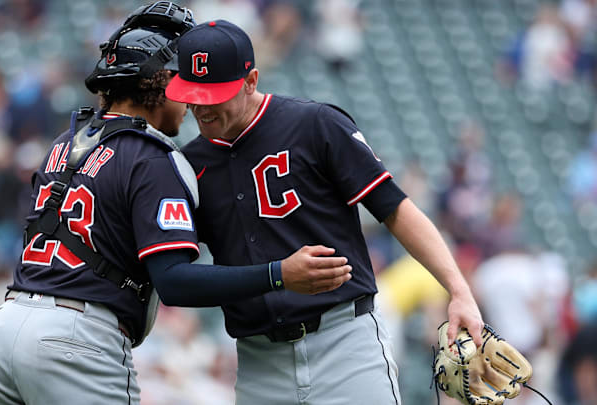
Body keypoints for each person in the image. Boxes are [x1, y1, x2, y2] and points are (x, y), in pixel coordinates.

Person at [0, 4, 352, 405]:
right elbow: (174, 281)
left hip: (4, 330)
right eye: (182, 81)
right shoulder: (151, 155)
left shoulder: (64, 143)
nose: (191, 98)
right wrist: (278, 274)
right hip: (75, 339)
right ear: (158, 85)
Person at [165, 19, 485, 404]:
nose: (202, 106)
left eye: (216, 94)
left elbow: (395, 208)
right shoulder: (188, 164)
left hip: (345, 342)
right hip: (259, 360)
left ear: (251, 81)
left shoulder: (315, 124)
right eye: (194, 93)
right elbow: (174, 271)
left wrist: (458, 290)